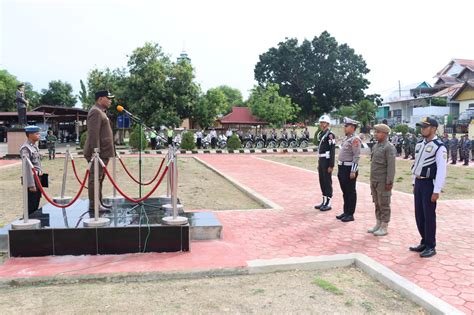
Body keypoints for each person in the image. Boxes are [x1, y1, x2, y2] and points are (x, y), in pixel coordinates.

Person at [409, 117, 447, 258]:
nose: (422, 129)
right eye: (421, 126)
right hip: (419, 183)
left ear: (434, 128)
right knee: (419, 215)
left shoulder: (439, 146)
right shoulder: (420, 144)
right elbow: (416, 164)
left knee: (429, 216)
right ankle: (424, 241)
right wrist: (414, 182)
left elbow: (442, 170)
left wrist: (437, 190)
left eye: (425, 126)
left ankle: (431, 246)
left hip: (429, 184)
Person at [83, 90, 115, 212]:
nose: (110, 100)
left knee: (99, 178)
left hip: (103, 152)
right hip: (98, 153)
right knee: (95, 178)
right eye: (108, 98)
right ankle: (94, 204)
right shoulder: (95, 112)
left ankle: (98, 202)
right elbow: (93, 134)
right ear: (101, 99)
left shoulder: (101, 111)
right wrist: (95, 152)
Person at [368, 124, 396, 236]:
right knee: (377, 203)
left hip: (383, 181)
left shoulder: (389, 147)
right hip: (374, 179)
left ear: (385, 134)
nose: (376, 134)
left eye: (378, 132)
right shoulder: (376, 146)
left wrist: (389, 181)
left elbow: (391, 166)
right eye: (375, 132)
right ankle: (378, 223)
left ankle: (384, 226)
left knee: (384, 203)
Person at [336, 117, 361, 222]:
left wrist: (353, 170)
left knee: (350, 191)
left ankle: (350, 214)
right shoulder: (347, 138)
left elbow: (356, 156)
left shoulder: (355, 139)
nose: (344, 128)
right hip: (342, 167)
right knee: (345, 191)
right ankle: (345, 212)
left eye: (346, 126)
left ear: (352, 127)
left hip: (349, 168)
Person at [314, 115, 336, 211]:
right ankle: (324, 200)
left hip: (327, 161)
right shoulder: (321, 134)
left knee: (327, 181)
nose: (321, 124)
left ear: (327, 124)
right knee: (322, 181)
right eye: (321, 123)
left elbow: (332, 150)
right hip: (321, 160)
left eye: (323, 123)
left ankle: (328, 202)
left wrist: (331, 165)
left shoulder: (330, 135)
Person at [20, 126, 43, 215]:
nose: (39, 135)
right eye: (36, 134)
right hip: (32, 180)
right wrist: (31, 185)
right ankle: (26, 225)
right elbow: (27, 168)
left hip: (37, 179)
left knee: (36, 204)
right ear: (30, 135)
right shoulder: (25, 148)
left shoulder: (33, 146)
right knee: (31, 206)